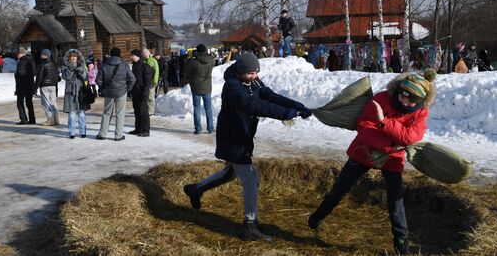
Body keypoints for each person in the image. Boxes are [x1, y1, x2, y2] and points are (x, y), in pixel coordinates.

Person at [183, 52, 312, 241]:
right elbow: (253, 104)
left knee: (230, 173)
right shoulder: (232, 87)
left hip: (241, 134)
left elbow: (269, 96)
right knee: (251, 178)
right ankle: (250, 226)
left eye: (256, 72)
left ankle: (195, 189)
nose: (254, 76)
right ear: (241, 71)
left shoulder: (253, 81)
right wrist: (284, 113)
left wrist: (297, 106)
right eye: (250, 73)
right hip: (233, 137)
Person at [308, 69, 437, 255]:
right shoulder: (382, 98)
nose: (404, 102)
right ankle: (319, 214)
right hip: (365, 151)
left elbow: (410, 137)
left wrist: (384, 122)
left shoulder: (420, 113)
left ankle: (401, 243)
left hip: (393, 159)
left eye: (411, 101)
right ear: (399, 90)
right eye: (402, 96)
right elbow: (364, 125)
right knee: (340, 188)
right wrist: (388, 144)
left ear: (420, 101)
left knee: (396, 202)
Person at [96, 48, 135, 141]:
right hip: (121, 92)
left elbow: (98, 80)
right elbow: (132, 79)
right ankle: (118, 135)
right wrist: (127, 89)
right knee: (120, 114)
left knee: (106, 113)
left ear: (110, 54)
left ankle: (102, 134)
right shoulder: (124, 65)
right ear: (119, 55)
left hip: (108, 92)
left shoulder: (104, 65)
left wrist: (103, 87)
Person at [183, 44, 215, 135]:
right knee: (208, 108)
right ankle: (210, 128)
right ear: (205, 50)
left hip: (196, 87)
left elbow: (186, 72)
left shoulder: (193, 62)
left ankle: (198, 129)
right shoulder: (211, 60)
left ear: (197, 51)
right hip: (207, 86)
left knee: (197, 108)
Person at [61, 49, 91, 139]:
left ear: (77, 57)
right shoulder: (65, 66)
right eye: (72, 56)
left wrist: (79, 69)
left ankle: (83, 131)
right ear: (69, 58)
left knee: (81, 113)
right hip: (70, 92)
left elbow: (85, 76)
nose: (73, 58)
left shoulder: (82, 65)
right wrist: (71, 68)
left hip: (80, 91)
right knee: (72, 113)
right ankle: (72, 132)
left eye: (75, 56)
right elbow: (66, 77)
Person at [129, 49, 154, 137]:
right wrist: (130, 90)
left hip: (142, 92)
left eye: (132, 55)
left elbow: (147, 82)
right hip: (135, 92)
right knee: (137, 111)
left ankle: (145, 130)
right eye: (131, 55)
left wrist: (145, 92)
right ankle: (138, 128)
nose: (131, 57)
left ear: (137, 56)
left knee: (143, 112)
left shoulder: (144, 66)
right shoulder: (134, 66)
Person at [35, 49, 60, 126]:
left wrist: (35, 87)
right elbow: (58, 76)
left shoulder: (42, 64)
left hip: (44, 85)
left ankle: (50, 120)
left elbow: (39, 77)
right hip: (53, 85)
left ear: (44, 55)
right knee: (53, 103)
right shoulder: (54, 64)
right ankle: (56, 119)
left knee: (46, 103)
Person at [15, 47, 37, 125]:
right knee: (29, 102)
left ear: (23, 54)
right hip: (30, 84)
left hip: (22, 85)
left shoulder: (21, 62)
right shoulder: (32, 61)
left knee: (20, 103)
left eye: (18, 53)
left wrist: (18, 75)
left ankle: (23, 119)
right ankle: (32, 119)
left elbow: (20, 73)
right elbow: (34, 72)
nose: (17, 55)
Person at [143, 49, 159, 115]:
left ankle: (151, 111)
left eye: (144, 54)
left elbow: (157, 71)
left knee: (151, 96)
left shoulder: (153, 60)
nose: (143, 55)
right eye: (143, 54)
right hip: (145, 81)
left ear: (147, 54)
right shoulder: (144, 61)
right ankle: (147, 109)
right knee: (146, 96)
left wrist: (155, 80)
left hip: (152, 81)